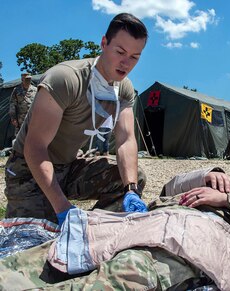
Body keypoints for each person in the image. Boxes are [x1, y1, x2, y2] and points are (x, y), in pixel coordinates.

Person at [0, 167, 230, 290]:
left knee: (127, 272)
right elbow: (169, 188)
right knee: (56, 254)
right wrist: (206, 175)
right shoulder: (214, 187)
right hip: (148, 223)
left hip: (194, 236)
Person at [4, 13, 150, 226]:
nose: (125, 63)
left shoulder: (123, 89)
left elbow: (126, 140)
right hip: (29, 171)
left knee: (132, 177)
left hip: (68, 166)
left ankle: (94, 228)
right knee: (34, 240)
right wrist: (62, 207)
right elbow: (34, 147)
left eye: (134, 57)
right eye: (120, 52)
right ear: (104, 43)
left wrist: (131, 190)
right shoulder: (65, 79)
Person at [9, 72, 37, 137]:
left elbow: (39, 104)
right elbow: (12, 105)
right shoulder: (16, 90)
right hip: (21, 119)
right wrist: (13, 118)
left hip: (33, 118)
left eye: (29, 79)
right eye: (26, 79)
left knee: (32, 136)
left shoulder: (35, 90)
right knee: (20, 137)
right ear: (22, 79)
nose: (28, 81)